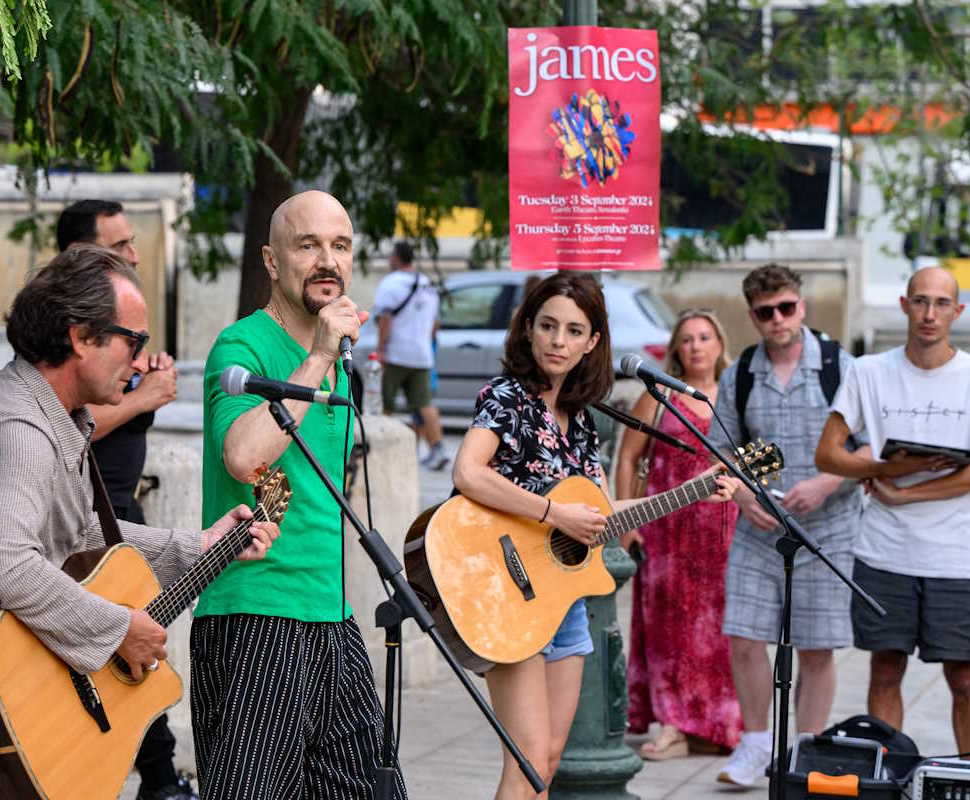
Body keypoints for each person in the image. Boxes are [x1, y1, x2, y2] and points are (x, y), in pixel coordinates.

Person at [0, 245, 278, 800]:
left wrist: (200, 545)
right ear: (81, 337)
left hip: (24, 689)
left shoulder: (55, 414)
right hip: (2, 701)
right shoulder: (22, 430)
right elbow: (10, 564)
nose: (142, 359)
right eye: (134, 341)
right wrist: (120, 629)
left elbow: (82, 539)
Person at [451, 273, 737, 798]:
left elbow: (602, 514)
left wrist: (694, 489)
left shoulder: (580, 418)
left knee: (550, 760)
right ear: (529, 330)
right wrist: (553, 513)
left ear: (593, 342)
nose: (559, 341)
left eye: (573, 330)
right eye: (548, 326)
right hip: (508, 590)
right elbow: (468, 473)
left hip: (562, 600)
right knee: (527, 759)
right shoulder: (507, 397)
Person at [197, 190, 405, 799]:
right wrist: (315, 358)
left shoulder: (343, 365)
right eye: (307, 244)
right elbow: (243, 455)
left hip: (332, 617)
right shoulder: (243, 348)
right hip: (254, 614)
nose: (326, 261)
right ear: (270, 260)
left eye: (339, 246)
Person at [815, 266, 970, 758]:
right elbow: (827, 455)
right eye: (920, 301)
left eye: (941, 303)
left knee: (964, 674)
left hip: (955, 555)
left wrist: (907, 491)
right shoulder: (868, 371)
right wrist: (887, 466)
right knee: (885, 667)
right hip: (884, 552)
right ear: (904, 305)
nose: (930, 314)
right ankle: (888, 777)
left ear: (957, 311)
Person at [708, 263, 865, 787]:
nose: (778, 319)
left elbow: (869, 445)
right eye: (765, 312)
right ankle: (755, 744)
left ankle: (805, 750)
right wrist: (743, 494)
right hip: (759, 528)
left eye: (786, 307)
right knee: (746, 637)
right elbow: (722, 447)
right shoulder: (741, 371)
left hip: (830, 526)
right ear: (752, 316)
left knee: (817, 645)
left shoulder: (839, 365)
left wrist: (826, 481)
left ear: (801, 304)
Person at [57, 199, 189, 800]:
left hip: (121, 511)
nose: (134, 256)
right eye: (118, 247)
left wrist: (142, 377)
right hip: (84, 520)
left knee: (142, 647)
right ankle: (146, 777)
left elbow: (115, 407)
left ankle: (158, 778)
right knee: (122, 650)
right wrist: (143, 397)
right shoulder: (67, 322)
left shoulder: (113, 317)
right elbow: (70, 422)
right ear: (79, 254)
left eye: (133, 244)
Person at [615, 308, 742, 760]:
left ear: (720, 343)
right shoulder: (658, 396)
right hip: (665, 530)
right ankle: (672, 724)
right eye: (687, 339)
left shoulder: (732, 394)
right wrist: (628, 522)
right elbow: (628, 457)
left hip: (721, 533)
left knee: (715, 632)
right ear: (676, 348)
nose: (696, 347)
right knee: (668, 628)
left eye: (705, 337)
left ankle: (717, 722)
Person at [373, 240, 447, 469]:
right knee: (424, 403)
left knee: (385, 403)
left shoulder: (390, 283)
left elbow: (385, 318)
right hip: (421, 355)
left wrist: (381, 349)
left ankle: (378, 449)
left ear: (396, 258)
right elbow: (435, 324)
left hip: (396, 354)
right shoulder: (427, 285)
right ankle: (438, 449)